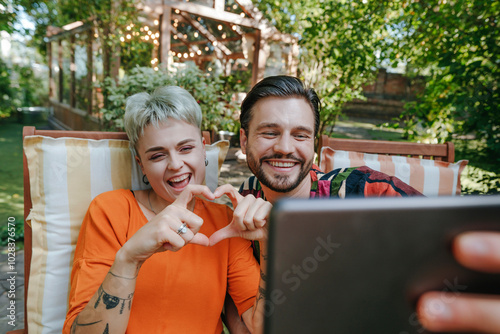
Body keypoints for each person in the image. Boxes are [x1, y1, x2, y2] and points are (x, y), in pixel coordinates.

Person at [232, 75, 500, 333]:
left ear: (313, 143)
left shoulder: (369, 191)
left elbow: (456, 249)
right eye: (269, 132)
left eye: (300, 135)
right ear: (244, 141)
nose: (285, 147)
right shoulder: (241, 205)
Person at [63, 86, 270, 334]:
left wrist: (268, 242)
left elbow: (262, 327)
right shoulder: (110, 210)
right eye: (157, 155)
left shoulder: (226, 222)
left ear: (203, 148)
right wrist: (129, 259)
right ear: (141, 164)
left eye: (185, 148)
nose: (175, 164)